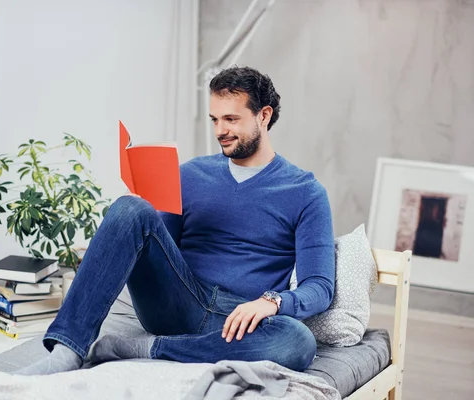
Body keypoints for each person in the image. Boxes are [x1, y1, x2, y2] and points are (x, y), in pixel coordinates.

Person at [16, 66, 335, 376]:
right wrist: (139, 210)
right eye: (214, 119)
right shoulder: (190, 174)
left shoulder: (306, 192)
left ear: (263, 116)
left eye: (231, 119)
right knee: (131, 208)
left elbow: (319, 287)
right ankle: (66, 352)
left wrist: (272, 302)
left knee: (298, 341)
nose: (219, 131)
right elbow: (158, 249)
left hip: (240, 317)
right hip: (178, 301)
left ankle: (144, 349)